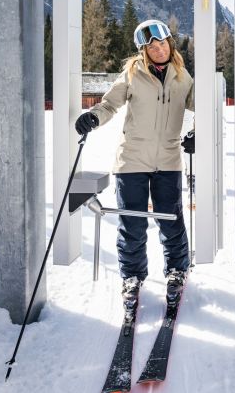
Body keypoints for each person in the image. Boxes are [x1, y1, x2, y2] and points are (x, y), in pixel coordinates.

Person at [74, 19, 193, 305]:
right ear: (144, 51)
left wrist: (196, 134)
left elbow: (202, 110)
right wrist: (93, 117)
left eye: (162, 43)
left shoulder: (183, 77)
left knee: (171, 220)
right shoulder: (132, 74)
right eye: (152, 46)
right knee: (132, 223)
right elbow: (109, 104)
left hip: (168, 159)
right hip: (132, 161)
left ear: (170, 44)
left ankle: (177, 270)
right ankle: (132, 276)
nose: (159, 49)